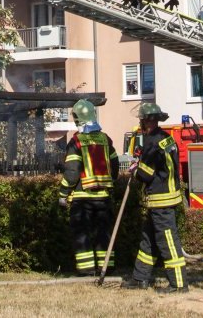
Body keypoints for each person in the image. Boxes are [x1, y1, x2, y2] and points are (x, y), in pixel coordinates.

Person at [129, 102, 188, 294]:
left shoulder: (151, 142)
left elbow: (145, 175)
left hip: (161, 200)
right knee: (148, 239)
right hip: (166, 197)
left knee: (168, 241)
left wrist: (135, 169)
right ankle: (140, 278)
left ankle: (179, 284)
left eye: (141, 120)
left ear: (146, 120)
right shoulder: (167, 138)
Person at [58, 99, 120, 276]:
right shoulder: (105, 139)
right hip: (104, 198)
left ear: (78, 119)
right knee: (104, 234)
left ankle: (86, 270)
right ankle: (106, 267)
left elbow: (72, 171)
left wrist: (63, 194)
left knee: (82, 234)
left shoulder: (76, 141)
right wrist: (110, 182)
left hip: (82, 198)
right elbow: (115, 166)